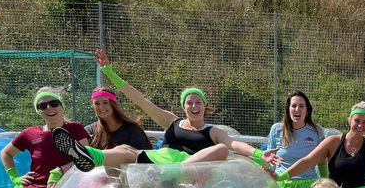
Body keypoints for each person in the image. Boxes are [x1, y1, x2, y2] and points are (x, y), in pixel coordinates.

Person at [49, 50, 279, 172]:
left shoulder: (212, 131)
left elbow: (234, 144)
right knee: (125, 150)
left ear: (204, 105)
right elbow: (140, 100)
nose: (194, 106)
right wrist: (110, 73)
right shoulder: (172, 121)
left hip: (186, 170)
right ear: (183, 106)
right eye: (189, 103)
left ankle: (175, 171)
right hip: (159, 162)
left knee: (221, 149)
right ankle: (89, 155)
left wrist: (260, 155)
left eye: (198, 102)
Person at [266, 91, 327, 188]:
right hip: (283, 186)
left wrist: (326, 182)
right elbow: (269, 159)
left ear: (307, 110)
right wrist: (268, 179)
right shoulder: (277, 129)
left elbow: (322, 160)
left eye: (301, 106)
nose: (297, 109)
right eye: (293, 106)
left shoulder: (317, 131)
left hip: (308, 187)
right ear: (288, 109)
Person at [84, 87, 153, 152]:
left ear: (113, 104)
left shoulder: (133, 130)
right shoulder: (88, 131)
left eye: (105, 102)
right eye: (97, 104)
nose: (101, 107)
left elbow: (147, 155)